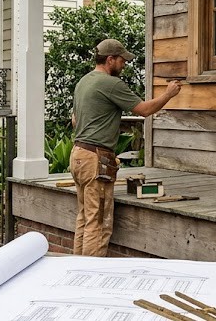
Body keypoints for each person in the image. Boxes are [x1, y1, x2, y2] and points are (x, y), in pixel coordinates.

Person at [70, 38, 182, 257]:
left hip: (78, 156)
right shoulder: (110, 84)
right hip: (95, 159)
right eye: (122, 60)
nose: (125, 65)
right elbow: (143, 110)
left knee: (85, 218)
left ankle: (75, 269)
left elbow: (75, 120)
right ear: (110, 59)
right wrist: (168, 94)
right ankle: (89, 277)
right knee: (99, 223)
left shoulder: (83, 82)